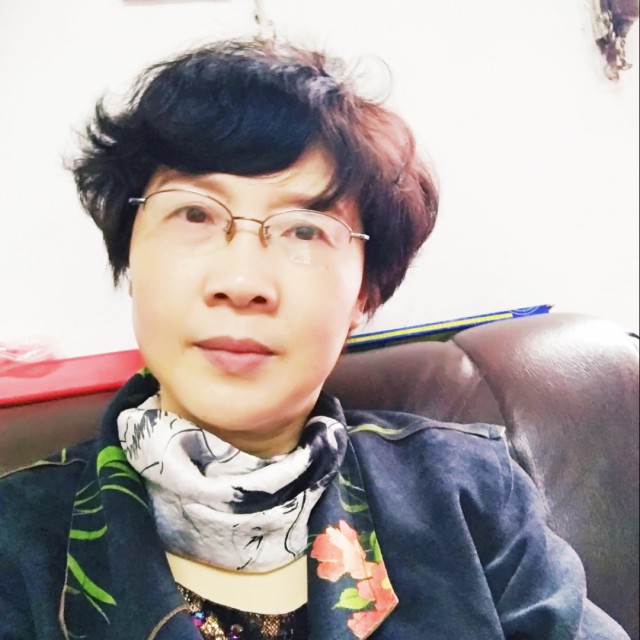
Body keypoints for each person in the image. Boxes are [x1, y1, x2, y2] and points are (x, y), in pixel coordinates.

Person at [0, 37, 630, 640]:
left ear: (363, 294)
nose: (241, 282)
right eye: (194, 213)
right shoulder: (17, 543)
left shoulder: (471, 497)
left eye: (304, 230)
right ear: (131, 254)